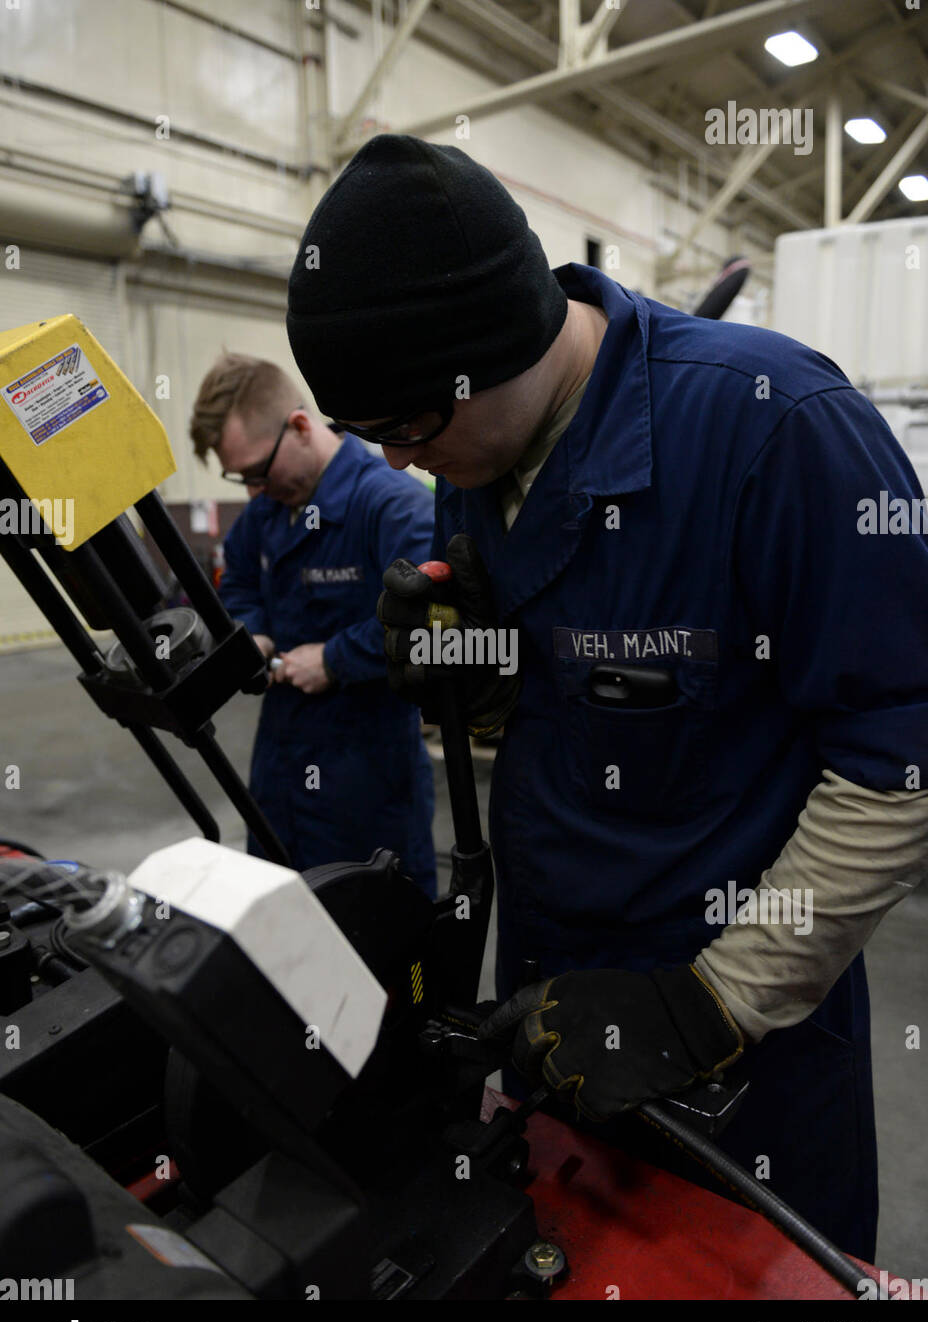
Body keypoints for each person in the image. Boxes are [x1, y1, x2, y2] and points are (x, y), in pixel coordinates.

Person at [282, 134, 928, 1260]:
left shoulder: (775, 431)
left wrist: (711, 1001)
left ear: (493, 350)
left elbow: (899, 755)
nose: (400, 464)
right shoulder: (473, 467)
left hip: (745, 1047)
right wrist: (463, 683)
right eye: (373, 436)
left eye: (409, 429)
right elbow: (547, 723)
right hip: (555, 1016)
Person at [189, 352, 437, 896]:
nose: (254, 491)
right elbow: (238, 589)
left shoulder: (392, 506)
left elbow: (427, 624)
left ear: (300, 425)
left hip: (369, 777)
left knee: (377, 936)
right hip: (279, 766)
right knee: (285, 927)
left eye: (258, 472)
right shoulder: (267, 510)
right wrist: (250, 631)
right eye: (241, 478)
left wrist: (333, 659)